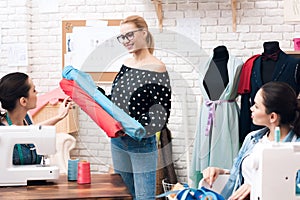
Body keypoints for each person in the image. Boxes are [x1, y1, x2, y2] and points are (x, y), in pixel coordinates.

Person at [108, 15, 171, 200]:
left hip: (142, 143)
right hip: (118, 140)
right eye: (122, 37)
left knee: (143, 197)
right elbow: (115, 100)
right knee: (124, 196)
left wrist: (136, 129)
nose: (125, 41)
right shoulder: (126, 64)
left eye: (129, 35)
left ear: (143, 33)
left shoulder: (157, 68)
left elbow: (161, 115)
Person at [202, 81, 300, 200]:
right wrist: (221, 171)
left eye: (256, 106)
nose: (251, 108)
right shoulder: (252, 139)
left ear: (273, 117)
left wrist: (257, 188)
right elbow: (243, 174)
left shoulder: (295, 149)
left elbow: (294, 191)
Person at [0, 72, 72, 165]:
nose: (37, 93)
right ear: (23, 101)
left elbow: (33, 131)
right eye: (34, 90)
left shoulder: (27, 118)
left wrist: (60, 116)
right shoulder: (3, 131)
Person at [238, 41, 300, 143]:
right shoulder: (251, 64)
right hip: (257, 127)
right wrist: (243, 130)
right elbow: (246, 100)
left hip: (286, 128)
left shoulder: (294, 64)